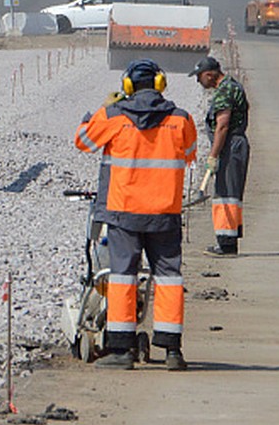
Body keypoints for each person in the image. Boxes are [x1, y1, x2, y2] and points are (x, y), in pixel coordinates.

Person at [74, 59, 198, 371]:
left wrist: (95, 113)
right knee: (169, 278)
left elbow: (83, 141)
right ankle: (172, 351)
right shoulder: (181, 120)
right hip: (164, 213)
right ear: (160, 84)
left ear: (127, 86)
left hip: (123, 212)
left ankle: (121, 349)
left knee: (123, 277)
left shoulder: (112, 116)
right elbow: (189, 153)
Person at [190, 55, 250, 257]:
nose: (199, 82)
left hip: (230, 145)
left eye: (200, 77)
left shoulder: (225, 91)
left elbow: (222, 126)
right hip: (232, 145)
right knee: (228, 193)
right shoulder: (231, 86)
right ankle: (228, 240)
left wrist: (213, 155)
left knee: (227, 195)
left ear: (210, 74)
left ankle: (226, 244)